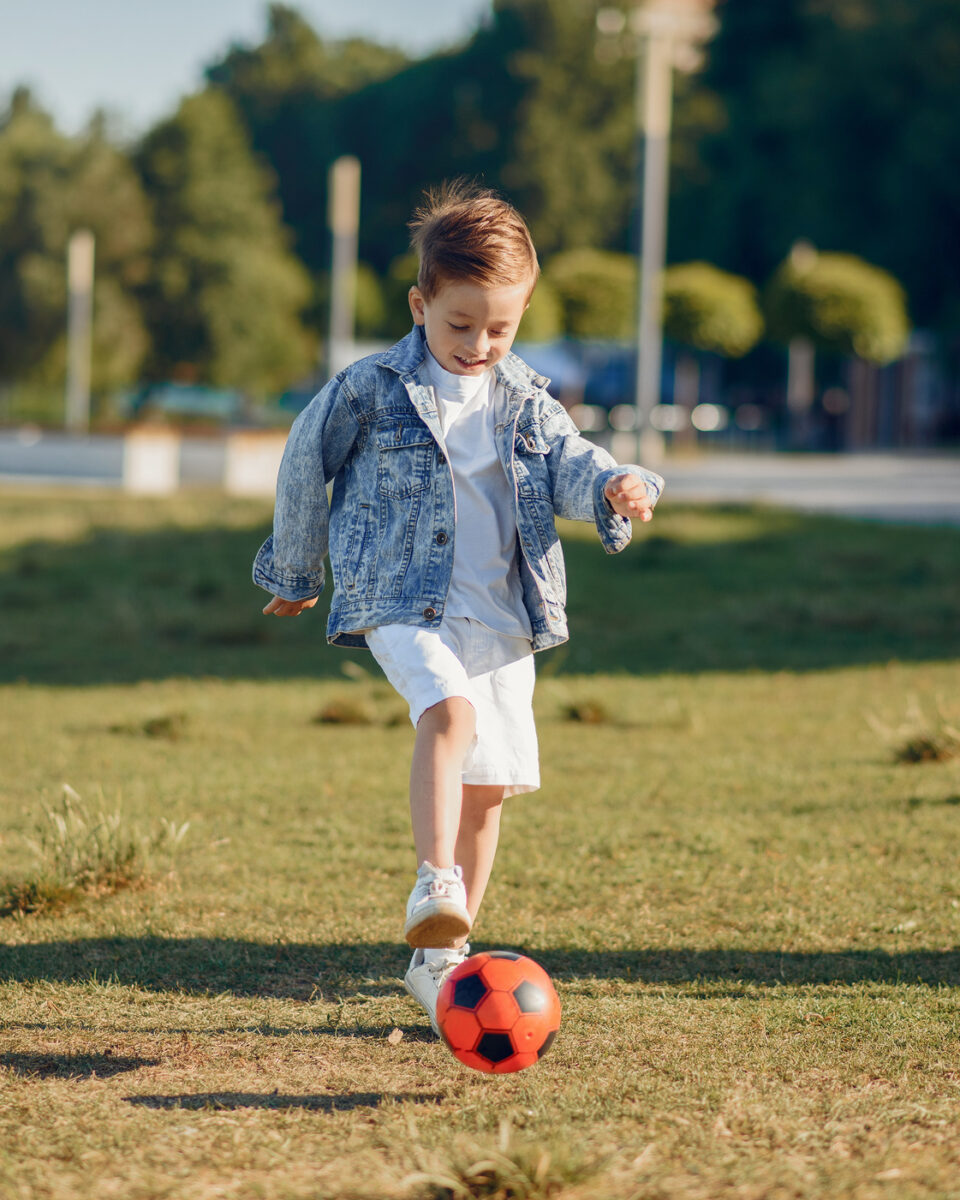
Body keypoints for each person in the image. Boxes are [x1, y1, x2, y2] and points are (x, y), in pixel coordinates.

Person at [253, 179, 664, 1035]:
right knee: (449, 712)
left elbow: (573, 463)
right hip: (402, 597)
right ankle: (432, 881)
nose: (479, 344)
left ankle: (442, 960)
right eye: (460, 324)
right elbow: (304, 459)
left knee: (492, 790)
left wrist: (621, 486)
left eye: (500, 327)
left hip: (504, 613)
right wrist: (296, 568)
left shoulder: (528, 399)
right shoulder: (371, 388)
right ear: (421, 304)